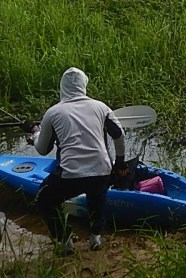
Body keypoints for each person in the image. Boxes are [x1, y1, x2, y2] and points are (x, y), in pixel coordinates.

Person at [27, 67, 128, 255]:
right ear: (84, 86)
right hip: (102, 171)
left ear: (61, 87)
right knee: (96, 199)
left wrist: (35, 132)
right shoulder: (101, 107)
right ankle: (95, 237)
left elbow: (42, 149)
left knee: (45, 200)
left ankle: (65, 241)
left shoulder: (53, 112)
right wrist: (120, 162)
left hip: (70, 174)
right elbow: (119, 134)